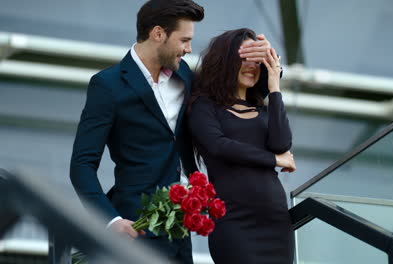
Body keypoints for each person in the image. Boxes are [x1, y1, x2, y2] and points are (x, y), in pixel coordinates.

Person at [70, 1, 275, 263]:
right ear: (158, 34)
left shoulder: (185, 76)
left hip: (180, 229)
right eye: (184, 40)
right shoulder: (107, 85)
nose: (189, 49)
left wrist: (269, 64)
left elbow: (231, 93)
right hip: (135, 227)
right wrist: (111, 221)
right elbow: (81, 165)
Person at [188, 28, 296, 264]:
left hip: (275, 220)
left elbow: (281, 143)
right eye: (244, 58)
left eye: (257, 61)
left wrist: (274, 85)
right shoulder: (204, 106)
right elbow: (218, 146)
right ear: (226, 61)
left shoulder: (265, 112)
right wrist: (274, 160)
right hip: (234, 220)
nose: (252, 66)